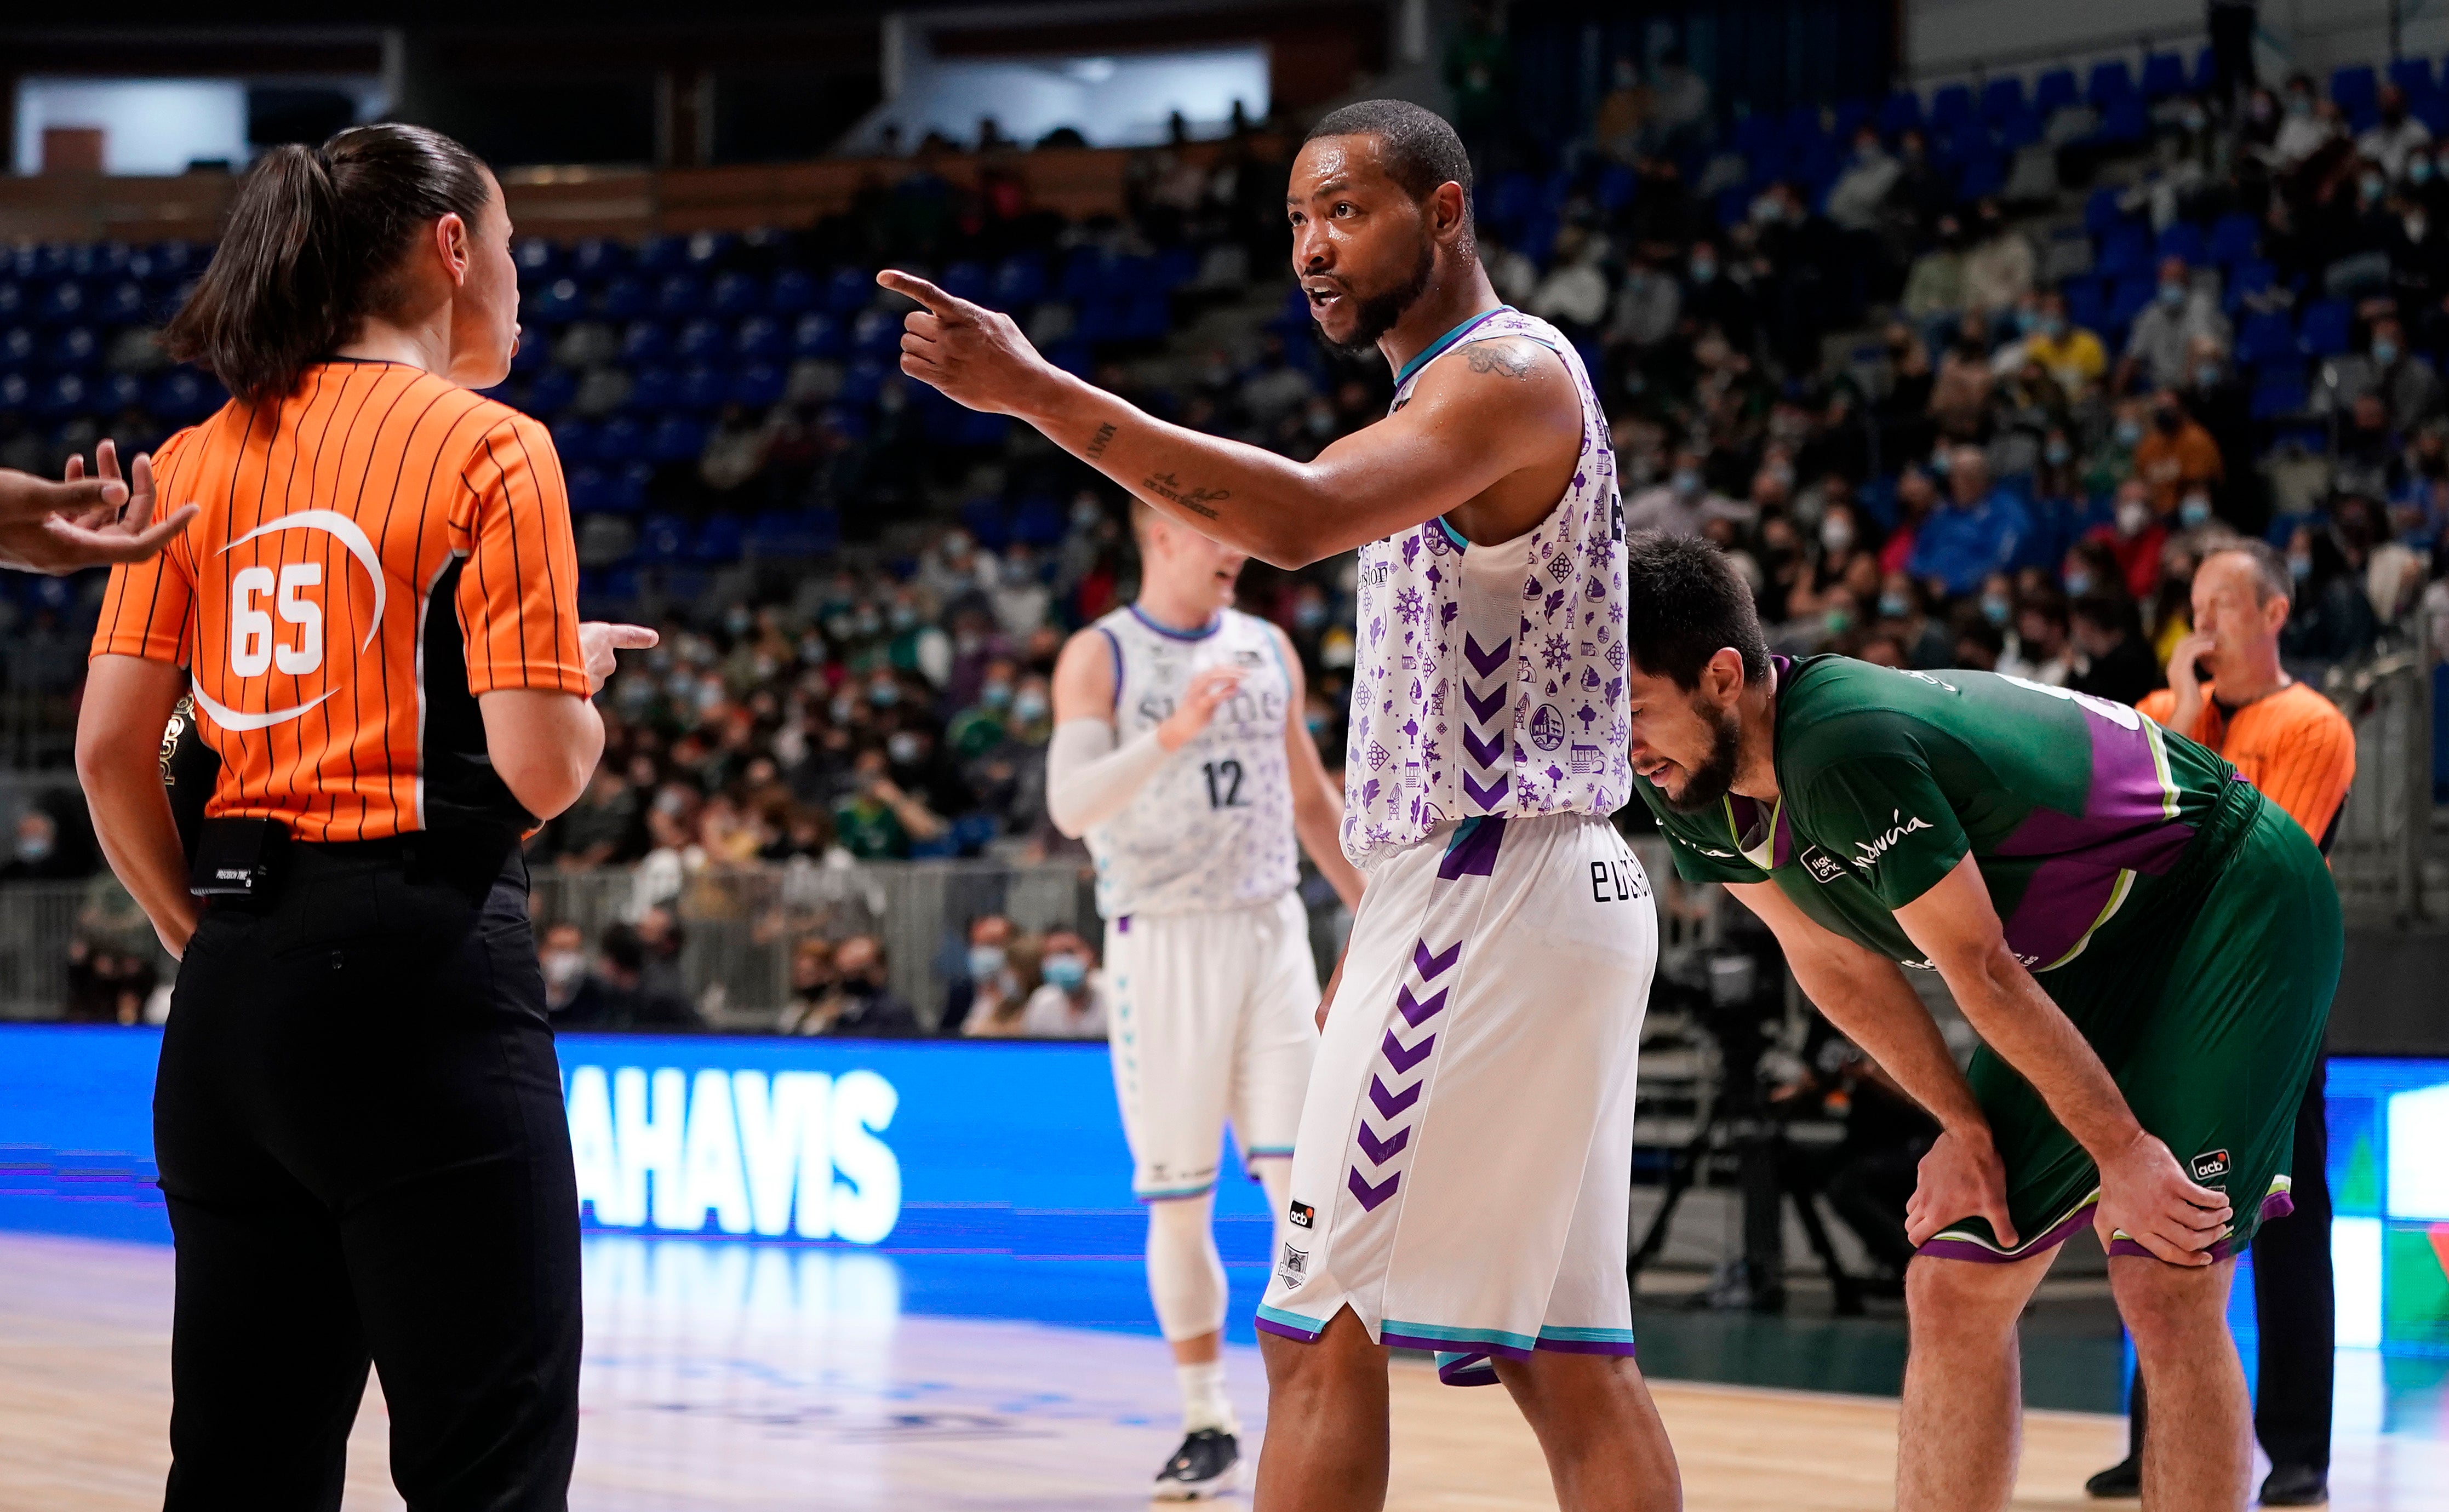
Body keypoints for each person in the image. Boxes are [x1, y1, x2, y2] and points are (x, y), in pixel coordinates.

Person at [880, 96, 1675, 1512]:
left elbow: (1298, 519)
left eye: (1345, 210)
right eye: (1297, 220)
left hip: (1482, 884)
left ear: (1442, 214)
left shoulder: (1502, 375)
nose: (1311, 247)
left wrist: (1035, 392)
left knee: (1312, 1324)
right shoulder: (1455, 391)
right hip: (1526, 884)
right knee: (1569, 1352)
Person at [72, 124, 656, 1509]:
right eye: (513, 247)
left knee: (238, 1468)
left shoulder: (194, 459)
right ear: (452, 249)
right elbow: (542, 770)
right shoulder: (491, 448)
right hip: (419, 980)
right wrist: (565, 676)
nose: (519, 279)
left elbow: (106, 753)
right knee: (485, 1463)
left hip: (229, 999)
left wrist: (201, 937)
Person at [1621, 532, 2340, 1512]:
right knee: (1954, 1286)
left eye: (1636, 711)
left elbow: (1983, 970)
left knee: (2166, 1284)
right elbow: (1833, 960)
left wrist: (2124, 1150)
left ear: (1722, 677)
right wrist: (1961, 1129)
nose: (1627, 746)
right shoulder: (1691, 788)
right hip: (2082, 954)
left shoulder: (1840, 747)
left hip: (2227, 893)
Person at [1042, 494, 1365, 1496]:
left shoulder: (1268, 646)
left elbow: (1311, 798)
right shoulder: (1102, 655)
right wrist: (1174, 732)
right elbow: (1070, 805)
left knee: (1306, 1184)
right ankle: (1207, 1419)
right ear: (1166, 537)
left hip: (1271, 933)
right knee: (1182, 1203)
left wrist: (1383, 906)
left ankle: (1319, 1396)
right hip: (1163, 941)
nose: (1240, 549)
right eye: (1219, 531)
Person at [2074, 537, 2356, 1505]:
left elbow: (2261, 867)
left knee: (2288, 1227)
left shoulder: (2315, 725)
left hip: (2273, 1005)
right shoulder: (2160, 716)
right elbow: (2118, 849)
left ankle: (2299, 1451)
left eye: (2223, 607)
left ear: (2275, 615)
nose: (2202, 628)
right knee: (2148, 1221)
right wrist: (2187, 715)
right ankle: (2151, 1440)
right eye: (2193, 607)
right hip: (2162, 1006)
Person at [1016, 927, 1111, 1036]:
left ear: (1091, 954)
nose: (1062, 960)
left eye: (1069, 952)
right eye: (1054, 955)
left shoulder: (1114, 996)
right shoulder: (1042, 1002)